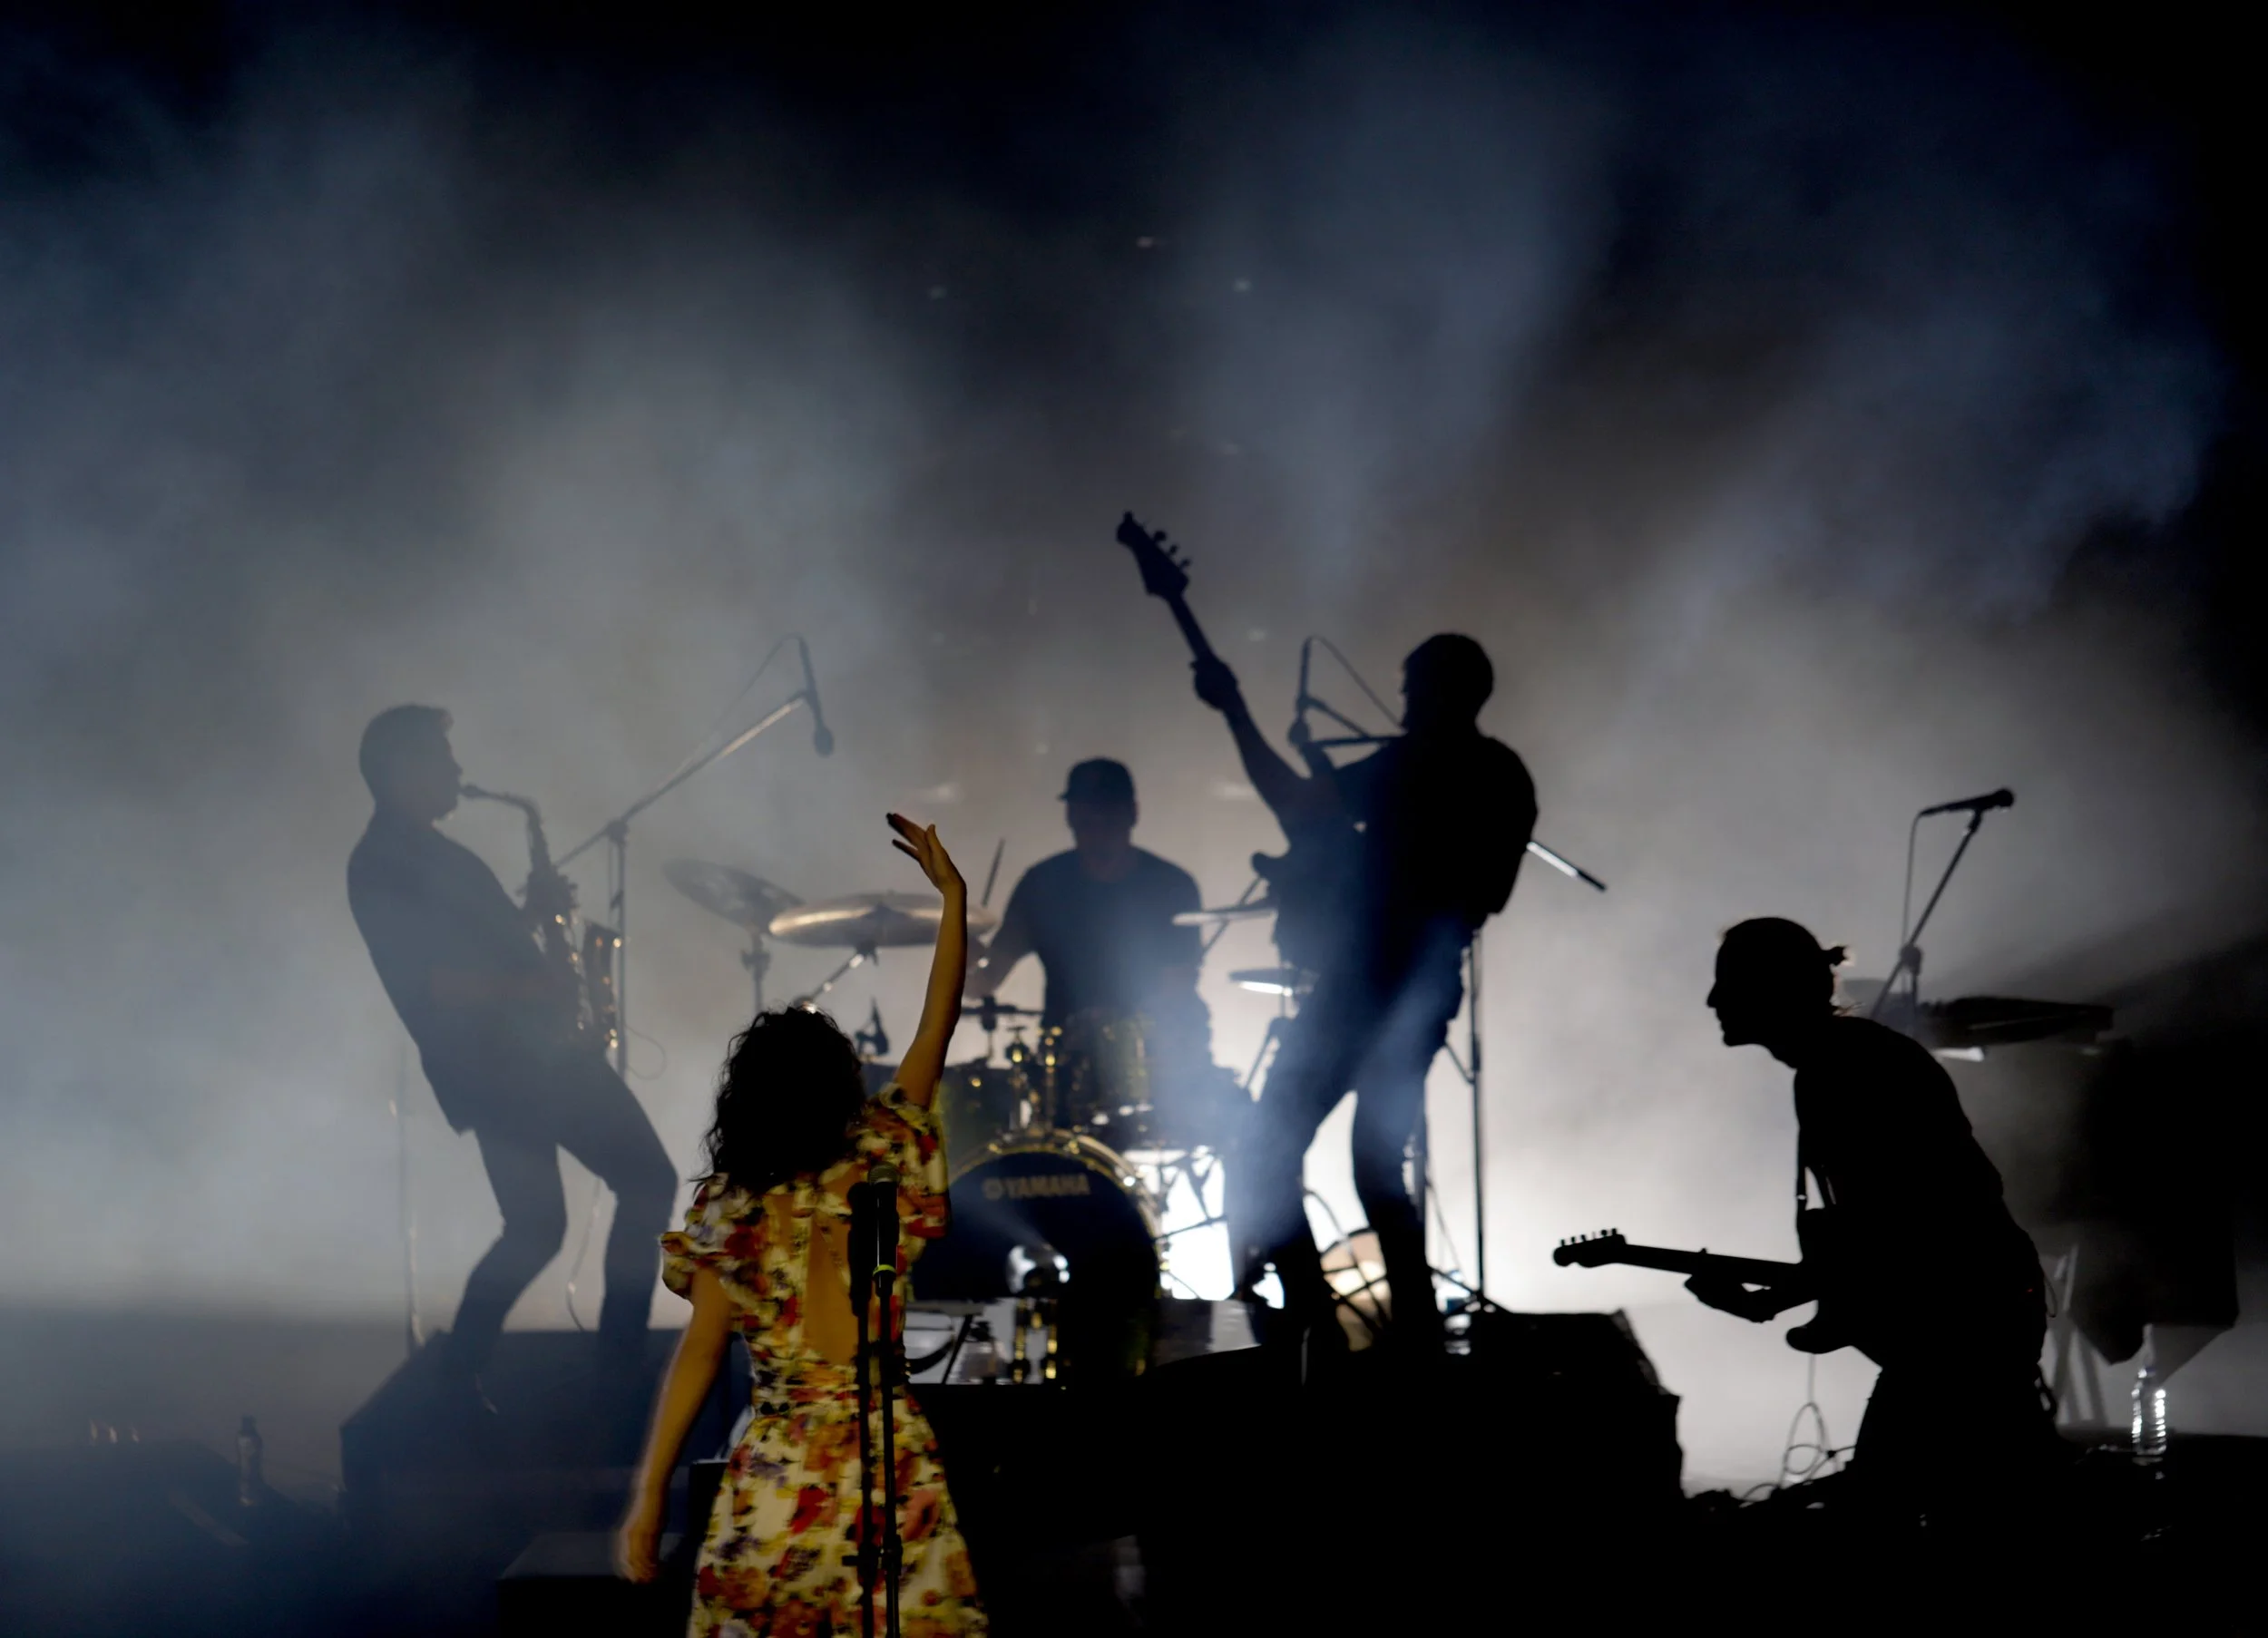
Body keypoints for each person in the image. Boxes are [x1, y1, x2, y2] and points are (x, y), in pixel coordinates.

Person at [618, 814, 986, 1635]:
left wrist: (650, 1495)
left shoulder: (730, 1209)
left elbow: (700, 1355)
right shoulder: (883, 1153)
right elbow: (937, 1025)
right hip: (888, 1467)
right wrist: (953, 899)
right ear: (838, 1088)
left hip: (779, 1480)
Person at [1192, 635, 1534, 1352]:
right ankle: (1418, 1344)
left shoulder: (1413, 763)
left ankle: (1315, 1322)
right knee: (1378, 1172)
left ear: (1441, 692)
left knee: (1264, 1150)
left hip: (1361, 989)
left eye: (1412, 689)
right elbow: (1484, 891)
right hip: (1425, 994)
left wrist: (1233, 711)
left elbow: (1297, 807)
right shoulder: (1505, 775)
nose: (1403, 703)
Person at [346, 705, 675, 1394]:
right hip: (508, 1070)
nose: (459, 771)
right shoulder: (380, 865)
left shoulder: (435, 853)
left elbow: (470, 949)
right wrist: (534, 980)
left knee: (541, 1225)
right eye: (443, 757)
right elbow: (433, 985)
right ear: (403, 769)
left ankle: (466, 1375)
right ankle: (603, 1367)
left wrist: (532, 914)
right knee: (608, 1197)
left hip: (528, 1060)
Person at [1688, 917, 2058, 1515]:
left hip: (1960, 1323)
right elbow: (1874, 1233)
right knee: (1992, 1504)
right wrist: (1774, 1299)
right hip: (1975, 1312)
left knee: (1890, 1515)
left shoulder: (1844, 1070)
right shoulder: (1840, 1062)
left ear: (1771, 989)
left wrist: (1787, 1296)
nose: (1711, 999)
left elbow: (1910, 1220)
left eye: (1727, 983)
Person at [968, 758, 1226, 1140]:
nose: (1096, 821)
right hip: (1066, 1067)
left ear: (1132, 813)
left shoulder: (1170, 886)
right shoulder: (1042, 885)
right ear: (1070, 816)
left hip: (1158, 1057)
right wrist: (963, 952)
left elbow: (1178, 987)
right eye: (1086, 811)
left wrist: (1117, 1023)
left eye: (1106, 809)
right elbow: (984, 983)